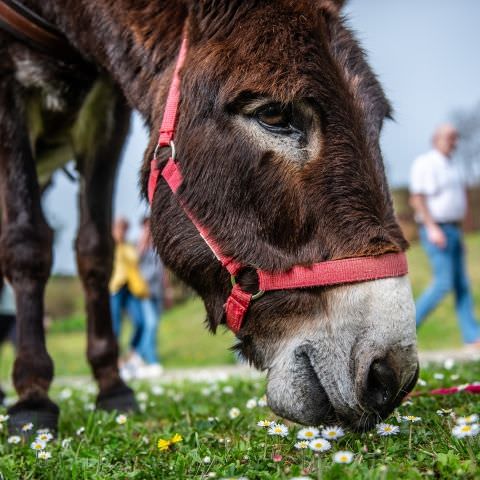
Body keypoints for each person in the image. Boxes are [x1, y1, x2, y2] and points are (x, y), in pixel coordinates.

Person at [409, 123, 480, 347]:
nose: (454, 142)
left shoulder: (452, 165)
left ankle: (473, 336)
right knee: (443, 283)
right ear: (436, 138)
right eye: (450, 137)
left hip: (453, 230)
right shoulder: (426, 163)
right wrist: (432, 228)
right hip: (436, 229)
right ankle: (409, 327)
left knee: (462, 285)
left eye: (456, 138)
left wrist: (458, 234)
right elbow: (417, 198)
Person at [109, 217, 150, 378]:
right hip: (114, 288)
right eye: (120, 228)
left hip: (130, 289)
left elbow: (138, 255)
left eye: (125, 228)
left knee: (140, 322)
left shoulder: (128, 246)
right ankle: (117, 362)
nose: (122, 231)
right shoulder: (109, 247)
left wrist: (144, 236)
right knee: (116, 327)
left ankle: (131, 355)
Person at [135, 217, 166, 378]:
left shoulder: (158, 246)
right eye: (146, 226)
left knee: (153, 326)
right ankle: (151, 360)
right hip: (144, 293)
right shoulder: (140, 244)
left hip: (157, 292)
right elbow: (135, 260)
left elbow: (163, 272)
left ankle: (138, 357)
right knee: (150, 324)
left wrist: (167, 291)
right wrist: (144, 238)